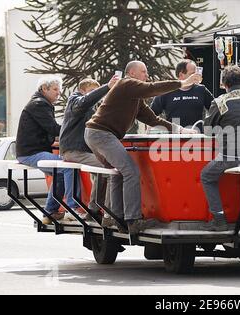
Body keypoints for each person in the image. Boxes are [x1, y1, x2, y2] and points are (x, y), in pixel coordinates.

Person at [84, 61, 200, 233]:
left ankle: (114, 218)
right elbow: (152, 88)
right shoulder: (126, 83)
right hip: (101, 134)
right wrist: (183, 83)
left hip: (95, 134)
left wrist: (181, 130)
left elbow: (153, 120)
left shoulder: (134, 99)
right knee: (131, 171)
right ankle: (133, 220)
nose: (146, 75)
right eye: (143, 72)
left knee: (118, 172)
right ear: (131, 73)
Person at [201, 65, 240, 232]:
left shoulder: (220, 102)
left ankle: (219, 219)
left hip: (231, 155)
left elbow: (208, 131)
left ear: (224, 84)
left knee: (207, 175)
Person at [16, 76, 77, 224]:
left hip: (30, 151)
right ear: (44, 88)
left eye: (60, 90)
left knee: (60, 173)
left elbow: (49, 130)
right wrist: (76, 132)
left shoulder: (40, 103)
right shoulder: (39, 104)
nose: (59, 93)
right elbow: (53, 128)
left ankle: (50, 212)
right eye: (55, 89)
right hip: (31, 153)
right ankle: (72, 209)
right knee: (68, 166)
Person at [59, 76, 119, 223]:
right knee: (112, 171)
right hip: (74, 151)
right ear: (82, 90)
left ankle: (93, 210)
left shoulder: (89, 108)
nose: (95, 94)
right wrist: (106, 87)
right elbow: (83, 103)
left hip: (79, 150)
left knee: (100, 173)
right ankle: (110, 215)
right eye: (92, 91)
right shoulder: (75, 99)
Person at [150, 59, 213, 131]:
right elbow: (151, 115)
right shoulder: (167, 91)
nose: (196, 76)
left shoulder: (201, 89)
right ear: (181, 75)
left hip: (197, 137)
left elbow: (215, 110)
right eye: (192, 74)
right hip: (174, 138)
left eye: (196, 73)